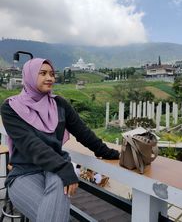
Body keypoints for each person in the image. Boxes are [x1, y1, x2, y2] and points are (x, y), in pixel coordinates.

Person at [1, 58, 119, 222]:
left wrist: (109, 153)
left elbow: (83, 132)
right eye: (42, 73)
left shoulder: (59, 104)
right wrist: (64, 168)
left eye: (52, 74)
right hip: (25, 173)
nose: (50, 78)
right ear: (29, 76)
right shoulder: (11, 107)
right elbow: (30, 145)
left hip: (55, 170)